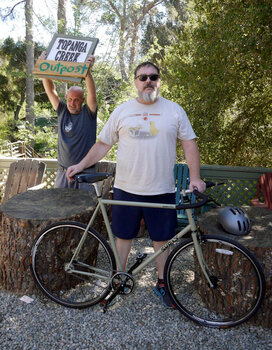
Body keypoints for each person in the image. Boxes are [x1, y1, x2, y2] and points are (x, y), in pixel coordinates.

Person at [66, 61, 206, 308]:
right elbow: (102, 144)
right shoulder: (122, 111)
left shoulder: (174, 110)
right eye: (143, 77)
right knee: (122, 236)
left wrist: (195, 177)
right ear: (135, 82)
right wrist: (79, 164)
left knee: (162, 240)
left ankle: (162, 284)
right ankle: (117, 281)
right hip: (126, 189)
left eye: (153, 76)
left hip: (161, 189)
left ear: (159, 80)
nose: (148, 81)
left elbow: (189, 143)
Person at [39, 51, 97, 189]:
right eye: (70, 99)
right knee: (59, 209)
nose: (72, 103)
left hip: (85, 175)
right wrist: (44, 67)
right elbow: (51, 91)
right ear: (66, 98)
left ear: (83, 100)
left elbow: (92, 94)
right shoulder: (62, 111)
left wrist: (87, 72)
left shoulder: (88, 113)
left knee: (86, 210)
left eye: (76, 100)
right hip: (63, 173)